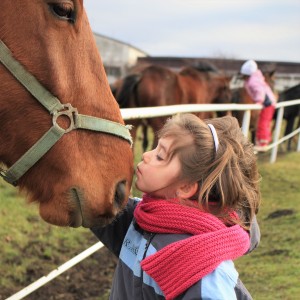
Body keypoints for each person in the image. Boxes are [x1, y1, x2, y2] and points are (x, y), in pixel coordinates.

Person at [92, 113, 261, 300]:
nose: (146, 155)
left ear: (185, 187)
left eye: (160, 156)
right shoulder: (142, 217)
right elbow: (95, 202)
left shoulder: (206, 272)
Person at [240, 59, 277, 150]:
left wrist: (259, 101)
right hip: (269, 103)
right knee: (265, 122)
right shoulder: (256, 78)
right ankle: (264, 140)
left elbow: (260, 92)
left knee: (262, 123)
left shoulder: (253, 81)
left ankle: (263, 144)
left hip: (267, 104)